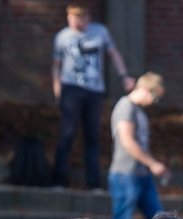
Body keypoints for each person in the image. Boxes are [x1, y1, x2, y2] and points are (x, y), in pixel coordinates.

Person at [50, 4, 134, 190]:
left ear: (87, 18)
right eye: (71, 18)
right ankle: (58, 179)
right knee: (67, 133)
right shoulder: (63, 37)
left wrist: (124, 76)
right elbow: (56, 66)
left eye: (79, 19)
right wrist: (58, 91)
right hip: (71, 88)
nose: (75, 23)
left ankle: (93, 182)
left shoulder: (100, 32)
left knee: (92, 135)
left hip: (94, 90)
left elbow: (114, 54)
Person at [108, 73, 169, 219]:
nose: (155, 103)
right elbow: (127, 141)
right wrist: (152, 163)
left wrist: (152, 165)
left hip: (142, 176)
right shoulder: (125, 107)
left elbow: (141, 145)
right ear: (145, 90)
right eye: (155, 97)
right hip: (125, 175)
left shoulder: (139, 113)